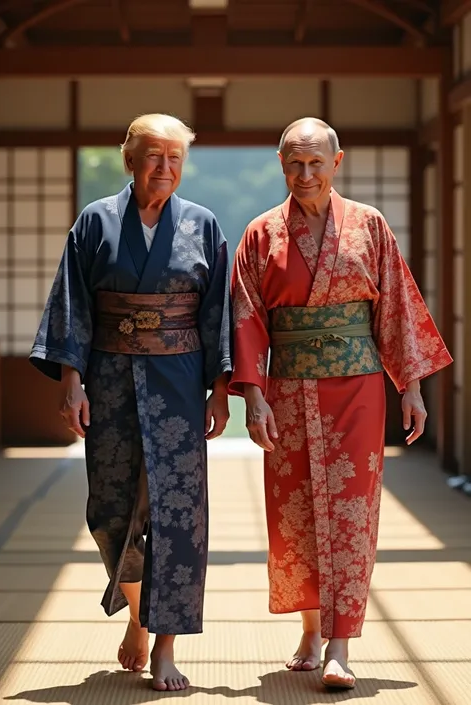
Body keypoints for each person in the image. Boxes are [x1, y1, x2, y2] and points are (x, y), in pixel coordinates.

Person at [229, 117, 452, 690]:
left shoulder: (369, 227)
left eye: (316, 163)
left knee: (353, 512)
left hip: (356, 390)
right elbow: (247, 318)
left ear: (337, 162)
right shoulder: (260, 234)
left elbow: (397, 309)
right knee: (294, 512)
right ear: (281, 165)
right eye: (295, 164)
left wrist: (413, 388)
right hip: (288, 391)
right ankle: (308, 629)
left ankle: (340, 643)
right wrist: (253, 397)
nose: (306, 175)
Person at [30, 113, 232, 692]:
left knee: (177, 516)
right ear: (130, 159)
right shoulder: (95, 221)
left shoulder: (203, 224)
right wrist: (71, 381)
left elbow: (218, 311)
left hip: (179, 380)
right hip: (111, 378)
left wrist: (221, 389)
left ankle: (164, 645)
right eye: (152, 155)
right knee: (110, 511)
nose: (164, 168)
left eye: (174, 157)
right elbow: (74, 306)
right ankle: (141, 615)